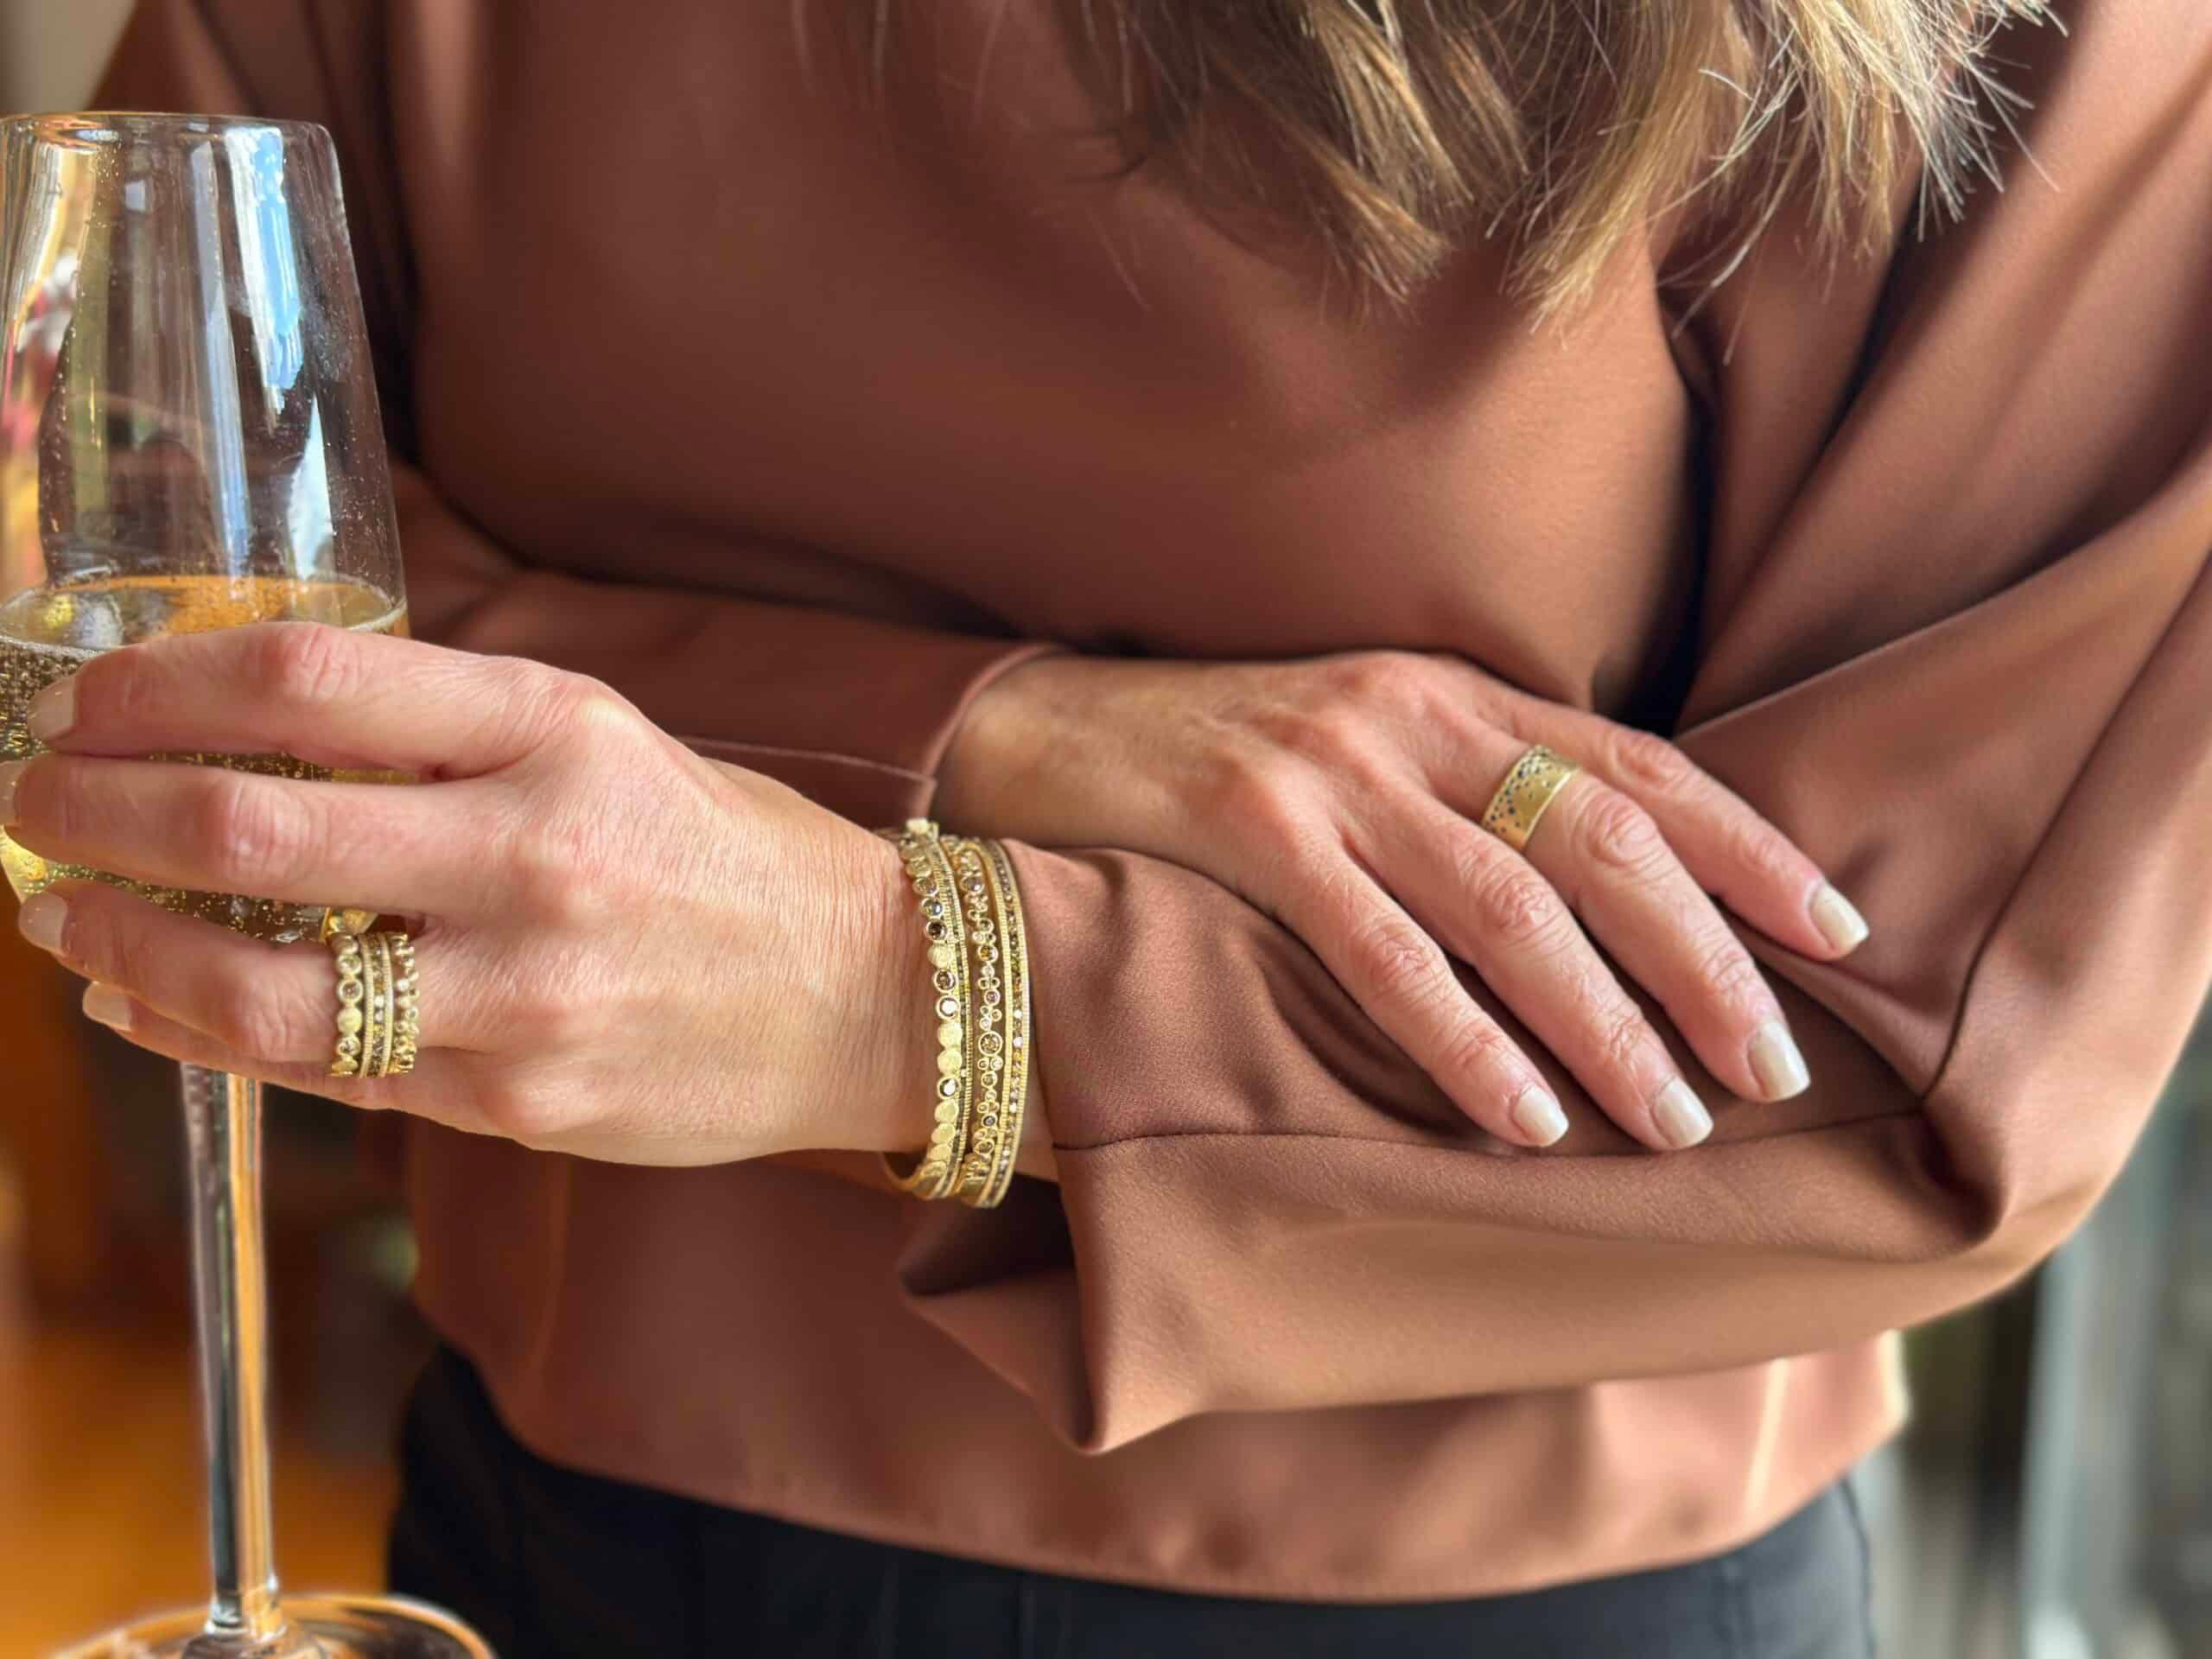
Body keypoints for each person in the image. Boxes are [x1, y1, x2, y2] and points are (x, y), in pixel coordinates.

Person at [8, 0, 2207, 1651]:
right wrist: (1001, 738)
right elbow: (139, 562)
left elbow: (1920, 1056)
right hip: (558, 1521)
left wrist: (886, 988)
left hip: (1512, 1594)